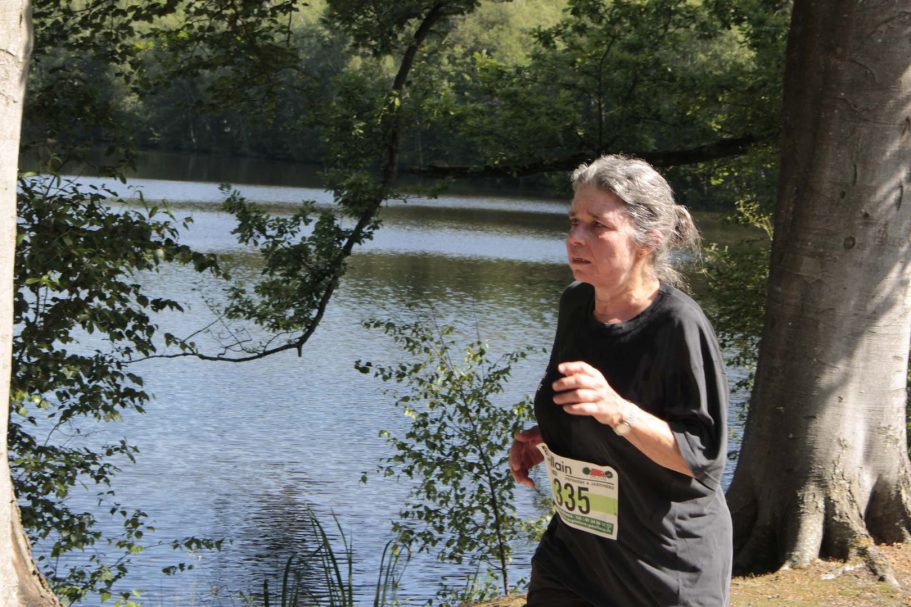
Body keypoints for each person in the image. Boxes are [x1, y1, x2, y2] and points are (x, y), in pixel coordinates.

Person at [509, 154, 732, 607]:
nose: (576, 238)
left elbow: (702, 459)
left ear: (647, 241)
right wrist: (553, 436)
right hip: (576, 557)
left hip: (661, 565)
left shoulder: (677, 324)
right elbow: (580, 403)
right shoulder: (576, 304)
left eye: (598, 226)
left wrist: (617, 412)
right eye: (574, 222)